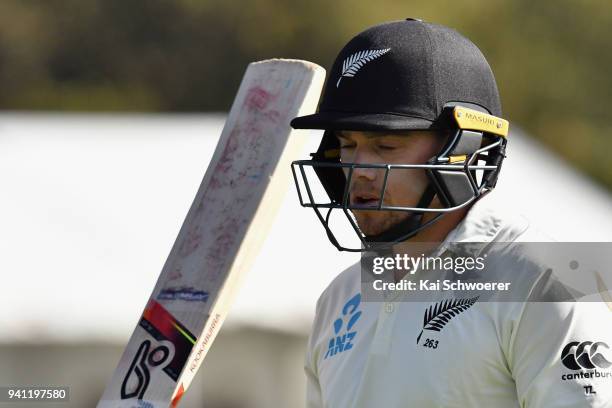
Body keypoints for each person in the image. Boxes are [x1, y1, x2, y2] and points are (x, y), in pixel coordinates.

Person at [290, 19, 612, 407]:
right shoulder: (339, 299)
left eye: (386, 146)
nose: (358, 169)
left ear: (464, 149)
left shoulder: (548, 282)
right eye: (346, 144)